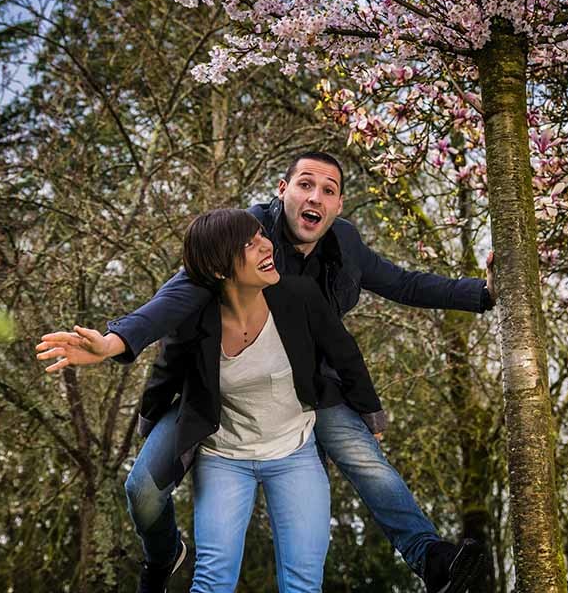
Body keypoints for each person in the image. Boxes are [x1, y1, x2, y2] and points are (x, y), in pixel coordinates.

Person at [38, 151, 494, 593]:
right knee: (141, 489)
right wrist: (113, 342)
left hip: (305, 389)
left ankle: (430, 557)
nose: (315, 197)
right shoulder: (243, 235)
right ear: (283, 190)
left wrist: (484, 293)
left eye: (328, 191)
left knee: (365, 459)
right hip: (218, 392)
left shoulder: (344, 245)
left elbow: (404, 284)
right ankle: (162, 555)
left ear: (338, 205)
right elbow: (173, 299)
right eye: (305, 184)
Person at [123, 208, 383, 592]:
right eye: (250, 244)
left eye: (262, 235)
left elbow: (346, 355)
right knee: (213, 580)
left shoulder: (299, 296)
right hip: (224, 460)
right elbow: (166, 371)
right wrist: (150, 422)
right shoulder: (195, 318)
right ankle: (163, 556)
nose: (267, 246)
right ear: (218, 269)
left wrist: (371, 417)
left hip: (294, 454)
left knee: (303, 584)